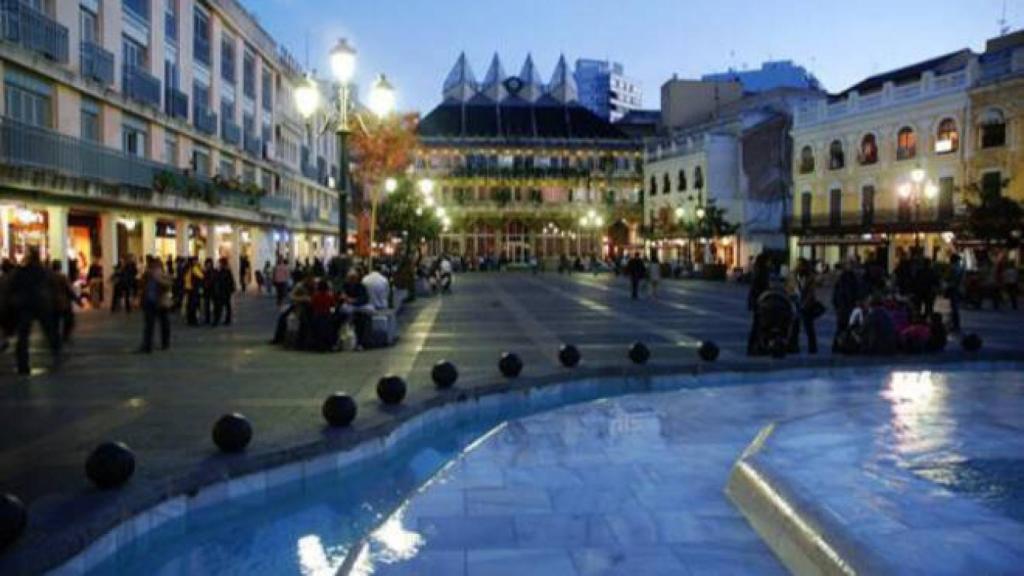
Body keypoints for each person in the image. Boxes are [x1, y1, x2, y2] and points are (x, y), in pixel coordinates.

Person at [10, 248, 61, 375]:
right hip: (40, 304)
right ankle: (56, 351)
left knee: (23, 335)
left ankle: (22, 362)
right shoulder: (43, 272)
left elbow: (13, 287)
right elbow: (51, 286)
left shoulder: (21, 272)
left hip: (26, 305)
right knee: (48, 329)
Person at [139, 256, 172, 353]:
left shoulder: (162, 275)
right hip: (150, 302)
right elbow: (142, 286)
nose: (154, 269)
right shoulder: (148, 275)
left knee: (163, 324)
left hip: (160, 302)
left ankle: (164, 343)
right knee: (149, 325)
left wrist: (158, 279)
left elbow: (168, 285)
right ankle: (147, 345)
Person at [789, 258, 819, 354]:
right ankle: (793, 346)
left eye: (800, 265)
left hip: (806, 305)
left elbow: (811, 292)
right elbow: (789, 287)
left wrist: (805, 303)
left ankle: (812, 348)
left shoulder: (810, 277)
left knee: (808, 327)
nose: (798, 267)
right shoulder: (793, 275)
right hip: (796, 303)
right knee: (795, 326)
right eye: (797, 265)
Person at [831, 260, 861, 353]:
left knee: (842, 327)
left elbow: (836, 295)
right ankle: (843, 345)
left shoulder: (843, 279)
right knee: (847, 327)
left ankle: (839, 346)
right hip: (847, 307)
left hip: (844, 307)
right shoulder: (852, 279)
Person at [746, 253, 771, 356]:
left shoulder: (758, 270)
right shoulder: (762, 272)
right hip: (760, 301)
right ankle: (756, 347)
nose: (770, 263)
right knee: (759, 325)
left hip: (758, 301)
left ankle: (756, 346)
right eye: (769, 260)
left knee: (758, 325)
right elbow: (760, 287)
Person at [212, 258, 236, 326]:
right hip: (223, 291)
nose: (219, 264)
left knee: (223, 306)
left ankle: (221, 320)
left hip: (225, 291)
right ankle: (221, 319)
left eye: (220, 263)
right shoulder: (223, 271)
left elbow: (229, 281)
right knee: (224, 306)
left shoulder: (226, 271)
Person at [183, 257, 204, 326]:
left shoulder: (187, 268)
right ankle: (194, 320)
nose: (197, 262)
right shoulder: (194, 268)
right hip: (193, 289)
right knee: (194, 305)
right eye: (196, 260)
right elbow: (201, 276)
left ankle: (190, 320)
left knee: (190, 305)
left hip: (188, 289)